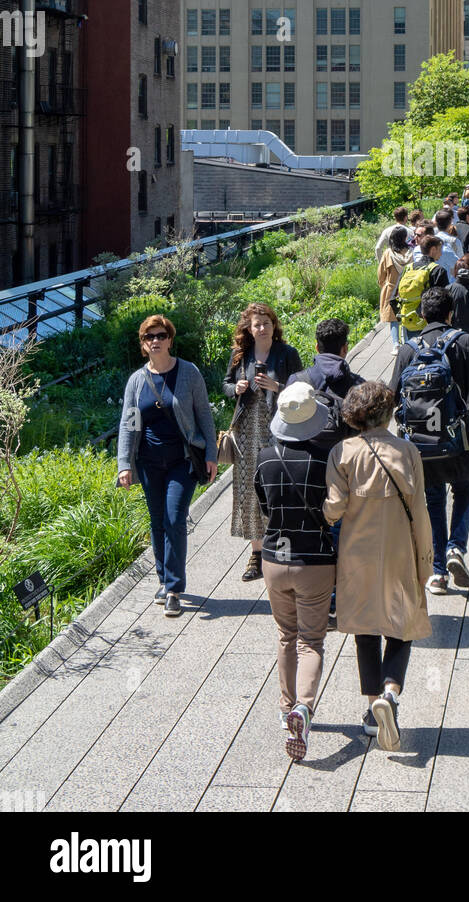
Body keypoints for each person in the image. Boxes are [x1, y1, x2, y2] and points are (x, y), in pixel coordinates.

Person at [324, 381, 433, 751]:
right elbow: (420, 512)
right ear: (388, 412)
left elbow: (335, 509)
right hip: (401, 550)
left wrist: (323, 511)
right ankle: (391, 693)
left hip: (357, 555)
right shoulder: (408, 451)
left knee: (365, 628)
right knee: (402, 627)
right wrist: (425, 562)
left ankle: (373, 712)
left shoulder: (343, 452)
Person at [255, 381, 339, 762]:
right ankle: (303, 707)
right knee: (312, 640)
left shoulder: (264, 457)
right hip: (315, 560)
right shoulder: (325, 458)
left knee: (286, 635)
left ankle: (284, 706)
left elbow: (263, 504)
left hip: (274, 558)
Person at [390, 288, 469, 595]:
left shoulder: (409, 349)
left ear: (422, 315)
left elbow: (393, 393)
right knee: (464, 490)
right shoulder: (464, 341)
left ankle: (436, 574)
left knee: (433, 499)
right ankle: (455, 549)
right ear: (451, 314)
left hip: (421, 443)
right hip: (460, 437)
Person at [118, 314, 217, 617]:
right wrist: (124, 463)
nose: (156, 341)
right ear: (143, 344)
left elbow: (204, 416)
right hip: (149, 462)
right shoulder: (137, 381)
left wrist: (211, 453)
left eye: (161, 335)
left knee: (174, 519)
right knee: (158, 520)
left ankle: (174, 587)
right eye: (150, 337)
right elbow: (129, 423)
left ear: (170, 340)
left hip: (182, 460)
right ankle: (163, 580)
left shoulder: (188, 373)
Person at [223, 303, 303, 582]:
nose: (262, 328)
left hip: (277, 428)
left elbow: (302, 388)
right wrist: (236, 388)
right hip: (246, 431)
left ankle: (280, 544)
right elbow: (225, 385)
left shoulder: (287, 353)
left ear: (274, 325)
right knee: (249, 488)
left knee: (277, 487)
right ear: (249, 328)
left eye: (266, 323)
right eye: (256, 324)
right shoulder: (239, 354)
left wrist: (278, 387)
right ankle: (256, 552)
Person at [398, 235, 450, 338]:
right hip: (432, 323)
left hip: (410, 318)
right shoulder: (438, 270)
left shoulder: (408, 268)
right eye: (440, 249)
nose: (441, 253)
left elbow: (397, 292)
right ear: (433, 249)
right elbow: (444, 299)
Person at [378, 225, 413, 353]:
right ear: (405, 238)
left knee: (393, 319)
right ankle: (408, 342)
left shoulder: (388, 253)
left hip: (392, 289)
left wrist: (383, 285)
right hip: (408, 287)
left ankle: (396, 344)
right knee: (406, 314)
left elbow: (381, 273)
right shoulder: (411, 252)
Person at [433, 207, 462, 279]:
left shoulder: (431, 240)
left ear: (436, 223)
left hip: (434, 277)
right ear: (450, 224)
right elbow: (461, 261)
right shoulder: (455, 241)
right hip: (451, 279)